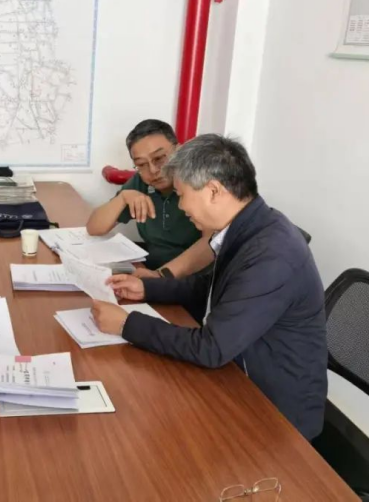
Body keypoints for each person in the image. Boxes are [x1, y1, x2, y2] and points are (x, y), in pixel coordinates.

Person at [91, 134, 328, 440]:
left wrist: (126, 324)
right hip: (237, 375)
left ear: (214, 191)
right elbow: (210, 287)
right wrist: (147, 288)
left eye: (182, 195)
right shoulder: (250, 225)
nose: (180, 206)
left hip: (274, 415)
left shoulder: (272, 254)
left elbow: (211, 348)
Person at [86, 119, 214, 279]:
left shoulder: (199, 179)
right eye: (141, 164)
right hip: (150, 271)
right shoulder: (141, 182)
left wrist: (160, 276)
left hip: (194, 279)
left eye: (159, 158)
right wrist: (123, 198)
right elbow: (94, 228)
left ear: (179, 150)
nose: (153, 170)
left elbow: (210, 243)